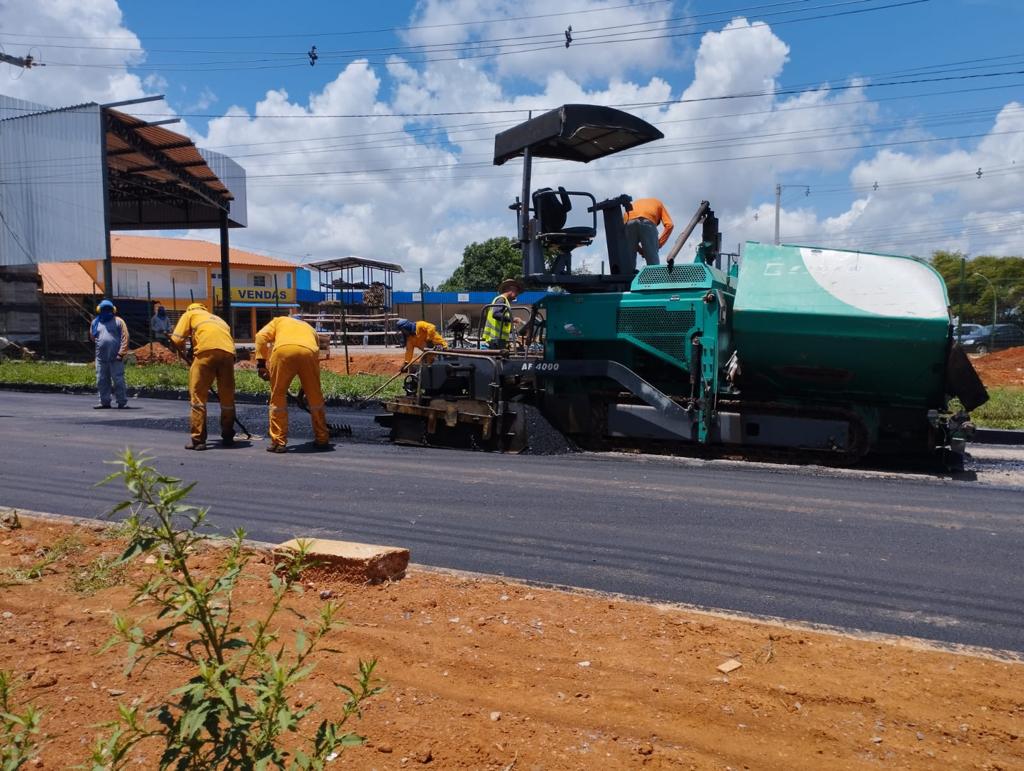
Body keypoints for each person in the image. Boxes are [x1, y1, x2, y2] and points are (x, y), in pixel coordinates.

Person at [255, 312, 330, 453]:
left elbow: (260, 337)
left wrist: (261, 364)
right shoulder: (310, 329)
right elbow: (313, 360)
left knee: (278, 396)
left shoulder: (279, 320)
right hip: (309, 352)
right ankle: (322, 438)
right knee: (315, 396)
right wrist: (303, 393)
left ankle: (278, 442)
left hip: (283, 351)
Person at [169, 302, 236, 451]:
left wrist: (181, 354)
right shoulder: (219, 319)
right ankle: (228, 435)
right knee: (227, 398)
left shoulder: (190, 314)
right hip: (228, 355)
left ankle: (198, 440)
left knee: (198, 398)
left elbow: (177, 339)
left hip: (205, 353)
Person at [89, 299, 129, 410]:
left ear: (113, 310)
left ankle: (122, 402)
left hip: (116, 358)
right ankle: (104, 402)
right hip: (101, 358)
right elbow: (93, 337)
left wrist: (121, 353)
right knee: (101, 380)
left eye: (108, 309)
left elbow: (125, 338)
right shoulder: (95, 323)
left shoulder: (119, 321)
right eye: (104, 309)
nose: (106, 311)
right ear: (99, 310)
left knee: (118, 380)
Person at [623, 197, 674, 266]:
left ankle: (628, 274)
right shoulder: (659, 203)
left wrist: (641, 251)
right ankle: (654, 276)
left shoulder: (638, 202)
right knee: (653, 263)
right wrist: (658, 244)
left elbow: (630, 240)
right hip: (647, 218)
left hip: (628, 219)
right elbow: (670, 225)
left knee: (628, 262)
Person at [481, 278, 523, 350]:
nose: (516, 295)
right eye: (516, 292)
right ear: (511, 289)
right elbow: (496, 314)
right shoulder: (501, 299)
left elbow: (502, 320)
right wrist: (513, 319)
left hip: (499, 340)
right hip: (495, 339)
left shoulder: (505, 302)